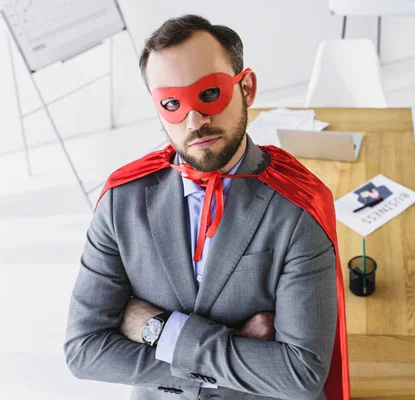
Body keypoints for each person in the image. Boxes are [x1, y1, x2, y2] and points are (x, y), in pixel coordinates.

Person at [64, 14, 349, 400]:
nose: (194, 120)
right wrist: (228, 352)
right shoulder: (122, 201)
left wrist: (158, 331)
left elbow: (300, 375)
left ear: (246, 89)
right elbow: (84, 350)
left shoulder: (296, 207)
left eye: (209, 94)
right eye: (171, 103)